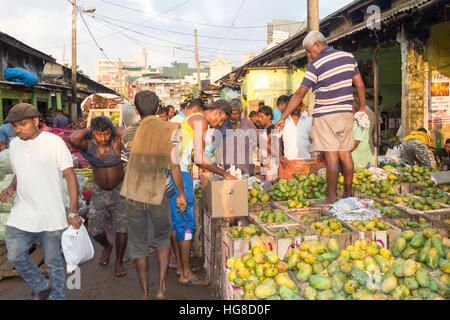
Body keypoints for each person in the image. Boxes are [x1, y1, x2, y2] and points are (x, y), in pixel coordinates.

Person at [0, 103, 82, 300]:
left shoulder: (53, 142)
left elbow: (70, 176)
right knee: (15, 255)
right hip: (23, 212)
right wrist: (11, 187)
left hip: (50, 214)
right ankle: (40, 284)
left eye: (22, 124)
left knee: (53, 262)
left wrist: (73, 210)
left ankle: (57, 297)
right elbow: (20, 171)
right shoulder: (15, 145)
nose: (18, 129)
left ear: (35, 121)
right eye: (14, 126)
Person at [275, 30, 366, 206]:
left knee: (331, 156)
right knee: (345, 154)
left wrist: (283, 116)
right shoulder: (348, 57)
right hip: (346, 113)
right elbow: (360, 84)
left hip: (326, 115)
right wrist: (361, 108)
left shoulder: (316, 65)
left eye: (309, 51)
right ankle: (348, 193)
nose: (309, 55)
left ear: (317, 44)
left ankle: (331, 198)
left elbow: (300, 93)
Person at [120, 90, 187, 300]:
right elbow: (174, 166)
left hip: (134, 193)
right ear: (158, 108)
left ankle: (145, 294)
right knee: (162, 240)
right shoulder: (170, 129)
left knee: (139, 245)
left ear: (137, 110)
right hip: (159, 191)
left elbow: (125, 166)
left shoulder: (127, 133)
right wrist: (181, 195)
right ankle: (161, 289)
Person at [169, 100, 237, 287]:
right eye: (221, 118)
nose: (220, 123)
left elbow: (196, 158)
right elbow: (199, 157)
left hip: (178, 174)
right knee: (187, 224)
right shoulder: (201, 120)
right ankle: (186, 273)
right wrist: (225, 174)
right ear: (215, 111)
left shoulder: (192, 119)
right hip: (180, 175)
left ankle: (183, 267)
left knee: (179, 223)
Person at [68, 116, 128, 277]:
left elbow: (128, 133)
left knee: (122, 227)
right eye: (98, 134)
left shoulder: (116, 143)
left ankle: (119, 261)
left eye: (106, 134)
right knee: (94, 228)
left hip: (120, 191)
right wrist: (89, 128)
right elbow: (72, 137)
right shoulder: (88, 145)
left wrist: (111, 125)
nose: (103, 138)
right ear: (93, 133)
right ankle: (107, 246)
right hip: (99, 191)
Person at [223, 98, 258, 176]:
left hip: (246, 169)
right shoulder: (223, 124)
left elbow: (260, 140)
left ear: (241, 111)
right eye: (231, 113)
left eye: (236, 114)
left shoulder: (247, 124)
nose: (233, 116)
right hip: (229, 169)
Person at [259, 106, 280, 182]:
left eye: (262, 117)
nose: (260, 119)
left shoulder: (272, 129)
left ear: (269, 117)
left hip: (270, 162)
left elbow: (274, 146)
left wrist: (268, 159)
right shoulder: (265, 128)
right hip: (265, 161)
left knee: (270, 184)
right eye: (259, 117)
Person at [351, 101, 373, 169]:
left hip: (361, 162)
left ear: (353, 107)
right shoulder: (354, 120)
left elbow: (356, 142)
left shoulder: (359, 121)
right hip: (358, 159)